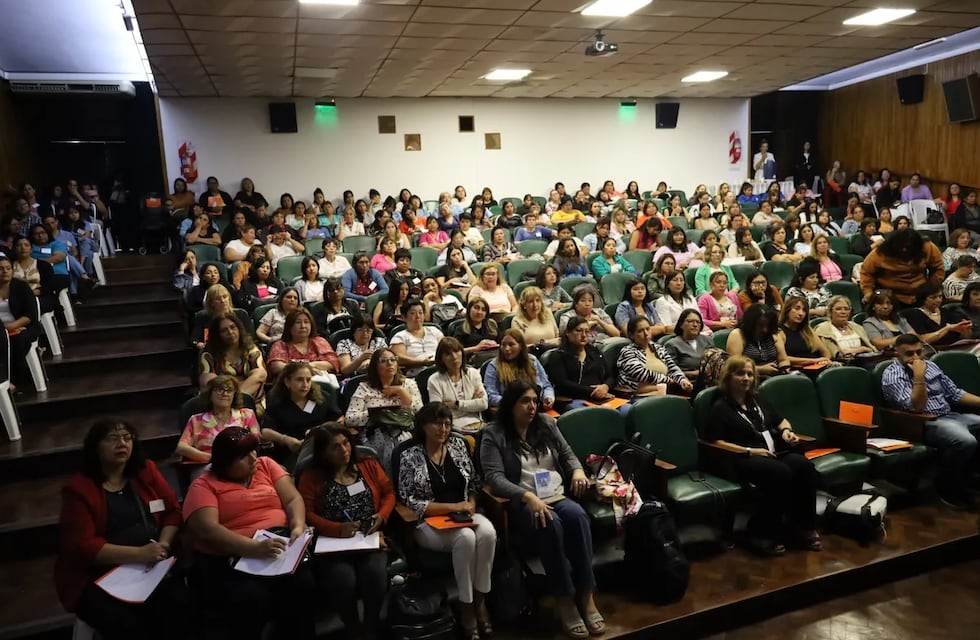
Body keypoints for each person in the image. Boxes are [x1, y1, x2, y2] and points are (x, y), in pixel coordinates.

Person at [480, 381, 605, 638]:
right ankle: (564, 599)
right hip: (523, 503)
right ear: (511, 404)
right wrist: (526, 496)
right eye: (525, 401)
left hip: (555, 494)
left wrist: (578, 470)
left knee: (579, 517)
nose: (532, 406)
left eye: (535, 401)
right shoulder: (493, 433)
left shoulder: (546, 424)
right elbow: (494, 478)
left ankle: (586, 595)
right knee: (549, 522)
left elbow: (567, 453)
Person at [55, 420, 185, 640]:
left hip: (150, 566)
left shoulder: (145, 472)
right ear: (95, 447)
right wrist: (140, 554)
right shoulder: (79, 489)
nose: (121, 444)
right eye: (112, 439)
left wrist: (163, 543)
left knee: (180, 604)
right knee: (127, 623)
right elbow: (83, 546)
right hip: (99, 575)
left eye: (127, 438)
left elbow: (172, 511)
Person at [182, 427, 316, 640]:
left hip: (277, 545)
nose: (253, 457)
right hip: (233, 555)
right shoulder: (204, 484)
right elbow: (207, 530)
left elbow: (292, 499)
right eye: (244, 456)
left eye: (254, 451)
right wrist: (254, 548)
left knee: (303, 586)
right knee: (252, 598)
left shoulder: (266, 465)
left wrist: (297, 526)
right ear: (225, 462)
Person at [396, 403, 496, 640]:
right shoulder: (409, 455)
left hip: (463, 514)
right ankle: (466, 606)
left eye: (448, 424)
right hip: (427, 522)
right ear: (423, 425)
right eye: (437, 423)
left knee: (489, 533)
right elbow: (409, 500)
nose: (443, 429)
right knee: (466, 537)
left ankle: (480, 599)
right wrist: (453, 507)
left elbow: (473, 481)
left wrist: (471, 502)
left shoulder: (459, 445)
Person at [705, 357, 820, 555]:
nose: (746, 378)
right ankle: (761, 532)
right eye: (740, 373)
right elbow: (715, 443)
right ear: (728, 377)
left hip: (772, 453)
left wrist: (786, 431)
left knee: (804, 466)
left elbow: (781, 420)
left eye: (750, 374)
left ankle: (803, 526)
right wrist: (751, 451)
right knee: (780, 473)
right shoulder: (721, 408)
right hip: (742, 460)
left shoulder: (757, 400)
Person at [297, 426, 393, 640]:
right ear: (323, 452)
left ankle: (372, 626)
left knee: (375, 575)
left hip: (368, 536)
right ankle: (353, 628)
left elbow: (388, 494)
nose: (344, 450)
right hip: (333, 542)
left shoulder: (367, 464)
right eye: (335, 447)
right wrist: (337, 529)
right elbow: (307, 513)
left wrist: (382, 516)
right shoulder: (311, 476)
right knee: (343, 580)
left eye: (346, 443)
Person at [882, 334, 980, 509]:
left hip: (950, 415)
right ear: (897, 354)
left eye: (919, 352)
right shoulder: (892, 374)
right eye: (909, 354)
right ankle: (946, 485)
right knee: (965, 441)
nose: (916, 358)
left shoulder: (932, 365)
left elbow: (955, 393)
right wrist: (919, 377)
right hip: (923, 422)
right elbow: (916, 407)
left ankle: (968, 477)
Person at [345, 348, 424, 475]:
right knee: (389, 443)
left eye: (393, 360)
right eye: (384, 361)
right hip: (375, 433)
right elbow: (350, 418)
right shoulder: (364, 387)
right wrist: (376, 413)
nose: (389, 364)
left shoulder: (408, 384)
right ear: (375, 366)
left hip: (405, 430)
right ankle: (391, 485)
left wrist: (401, 392)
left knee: (401, 441)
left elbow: (419, 411)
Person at [262, 362, 343, 459]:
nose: (305, 384)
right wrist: (285, 439)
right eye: (299, 380)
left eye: (308, 380)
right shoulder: (277, 401)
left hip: (323, 449)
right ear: (287, 381)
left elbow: (339, 418)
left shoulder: (320, 397)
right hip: (292, 453)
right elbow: (265, 431)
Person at [176, 375, 260, 463]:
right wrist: (209, 458)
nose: (225, 394)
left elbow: (254, 442)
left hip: (240, 464)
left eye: (229, 390)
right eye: (220, 390)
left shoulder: (247, 415)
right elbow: (181, 447)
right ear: (210, 394)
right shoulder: (196, 420)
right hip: (208, 464)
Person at [860, 229, 945, 307]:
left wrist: (931, 287)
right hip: (891, 295)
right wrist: (868, 292)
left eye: (909, 248)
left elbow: (938, 267)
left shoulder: (927, 246)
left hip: (921, 293)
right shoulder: (882, 251)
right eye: (902, 248)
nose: (905, 250)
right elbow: (866, 272)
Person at [547, 316, 616, 412]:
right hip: (574, 399)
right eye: (578, 331)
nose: (583, 335)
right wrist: (592, 392)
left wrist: (606, 386)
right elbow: (563, 383)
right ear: (567, 333)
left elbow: (610, 375)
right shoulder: (558, 355)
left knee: (626, 410)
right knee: (598, 415)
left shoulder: (594, 351)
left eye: (587, 331)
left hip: (601, 397)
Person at [617, 316, 692, 398]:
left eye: (648, 329)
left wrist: (682, 380)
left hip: (664, 394)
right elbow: (640, 373)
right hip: (639, 397)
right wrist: (668, 380)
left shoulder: (658, 348)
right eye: (640, 331)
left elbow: (672, 367)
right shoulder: (628, 351)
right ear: (631, 335)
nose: (646, 333)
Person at [427, 337, 489, 435]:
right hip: (451, 427)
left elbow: (484, 404)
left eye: (457, 351)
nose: (454, 357)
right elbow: (439, 412)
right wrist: (473, 403)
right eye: (448, 354)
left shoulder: (473, 374)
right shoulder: (434, 380)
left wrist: (456, 404)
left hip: (477, 423)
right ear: (441, 359)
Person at [483, 329, 556, 410]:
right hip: (509, 410)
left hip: (535, 407)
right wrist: (517, 402)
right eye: (503, 345)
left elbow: (546, 385)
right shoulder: (494, 366)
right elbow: (490, 395)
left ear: (520, 346)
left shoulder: (532, 360)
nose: (507, 349)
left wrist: (548, 397)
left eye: (511, 344)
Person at [199, 312, 267, 398]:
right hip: (221, 402)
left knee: (260, 372)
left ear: (239, 329)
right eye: (224, 330)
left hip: (251, 402)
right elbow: (209, 382)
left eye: (232, 327)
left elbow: (260, 375)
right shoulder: (209, 355)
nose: (230, 332)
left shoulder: (250, 349)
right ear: (217, 335)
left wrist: (236, 396)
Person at [267, 307, 340, 379]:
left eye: (306, 322)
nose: (303, 326)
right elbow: (276, 366)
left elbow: (332, 363)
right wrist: (304, 371)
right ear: (289, 326)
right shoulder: (280, 345)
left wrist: (311, 365)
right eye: (298, 322)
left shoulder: (320, 341)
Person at [0, 254, 39, 388]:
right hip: (1, 330)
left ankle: (17, 382)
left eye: (8, 268)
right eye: (0, 269)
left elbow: (30, 315)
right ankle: (4, 381)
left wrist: (12, 326)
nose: (5, 271)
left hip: (23, 326)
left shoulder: (21, 287)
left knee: (17, 341)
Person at [726, 304, 790, 377]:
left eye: (768, 325)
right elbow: (733, 367)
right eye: (760, 325)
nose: (765, 330)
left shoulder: (774, 335)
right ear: (751, 323)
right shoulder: (738, 335)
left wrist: (784, 369)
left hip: (774, 376)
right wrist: (761, 369)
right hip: (748, 378)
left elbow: (783, 360)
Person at [903, 282, 973, 346]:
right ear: (923, 299)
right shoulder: (914, 314)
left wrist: (966, 330)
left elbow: (966, 337)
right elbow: (923, 340)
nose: (938, 300)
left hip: (956, 348)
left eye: (940, 296)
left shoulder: (946, 312)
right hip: (933, 352)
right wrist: (947, 328)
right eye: (933, 297)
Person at [390, 298, 445, 375]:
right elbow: (399, 358)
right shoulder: (400, 336)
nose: (418, 316)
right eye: (413, 313)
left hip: (440, 370)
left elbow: (447, 348)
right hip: (416, 375)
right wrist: (422, 362)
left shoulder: (434, 331)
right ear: (404, 317)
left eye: (421, 313)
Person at [777, 296, 833, 366]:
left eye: (804, 310)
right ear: (787, 310)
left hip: (816, 366)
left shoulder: (807, 330)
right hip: (797, 369)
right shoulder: (779, 331)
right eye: (797, 309)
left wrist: (825, 361)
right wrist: (814, 361)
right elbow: (782, 358)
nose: (801, 313)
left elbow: (826, 353)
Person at [663, 309, 713, 379]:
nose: (695, 325)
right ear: (681, 324)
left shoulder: (707, 340)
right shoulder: (672, 345)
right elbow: (670, 372)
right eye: (690, 321)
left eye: (698, 322)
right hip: (687, 383)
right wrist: (693, 374)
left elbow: (715, 362)